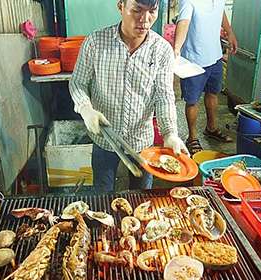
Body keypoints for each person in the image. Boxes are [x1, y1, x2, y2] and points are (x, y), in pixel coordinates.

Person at [69, 0, 188, 192]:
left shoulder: (162, 51)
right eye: (137, 10)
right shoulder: (95, 43)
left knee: (142, 196)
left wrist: (170, 133)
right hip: (104, 137)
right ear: (120, 6)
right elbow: (78, 83)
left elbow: (164, 95)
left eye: (152, 11)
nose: (145, 20)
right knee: (102, 192)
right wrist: (85, 109)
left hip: (142, 140)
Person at [174, 0, 238, 155]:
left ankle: (211, 128)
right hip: (193, 60)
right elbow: (183, 22)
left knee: (213, 94)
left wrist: (229, 32)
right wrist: (176, 49)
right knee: (192, 101)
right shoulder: (188, 1)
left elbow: (220, 12)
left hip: (215, 55)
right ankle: (192, 138)